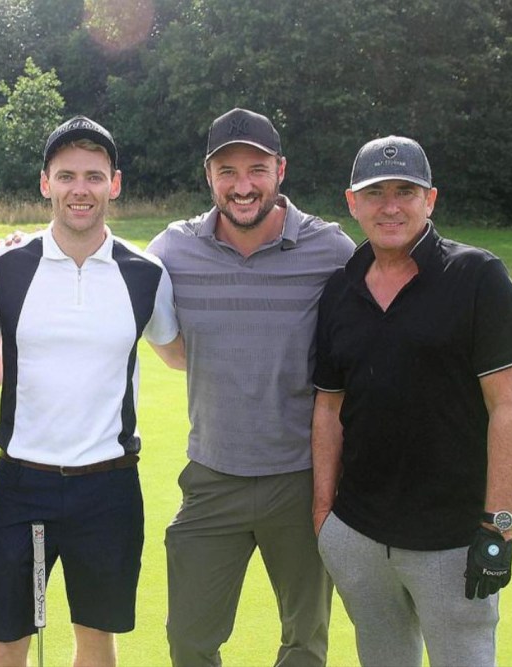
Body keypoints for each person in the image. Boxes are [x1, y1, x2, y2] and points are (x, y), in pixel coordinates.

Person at [311, 136, 512, 667]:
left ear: (429, 200)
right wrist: (324, 515)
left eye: (405, 191)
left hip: (453, 544)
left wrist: (498, 527)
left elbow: (509, 409)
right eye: (376, 192)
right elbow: (329, 407)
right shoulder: (340, 290)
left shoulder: (478, 277)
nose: (390, 205)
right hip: (358, 537)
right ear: (353, 203)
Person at [146, 108, 356, 667]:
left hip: (303, 479)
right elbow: (109, 275)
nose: (242, 186)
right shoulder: (172, 249)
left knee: (305, 642)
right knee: (189, 641)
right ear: (208, 175)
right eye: (227, 171)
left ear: (280, 170)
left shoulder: (330, 250)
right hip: (213, 478)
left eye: (257, 169)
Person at [0, 115, 183, 667]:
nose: (80, 189)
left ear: (115, 183)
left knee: (97, 641)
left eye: (94, 176)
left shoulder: (147, 273)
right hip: (22, 483)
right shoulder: (1, 265)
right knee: (7, 641)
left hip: (109, 487)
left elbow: (178, 355)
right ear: (46, 183)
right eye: (66, 176)